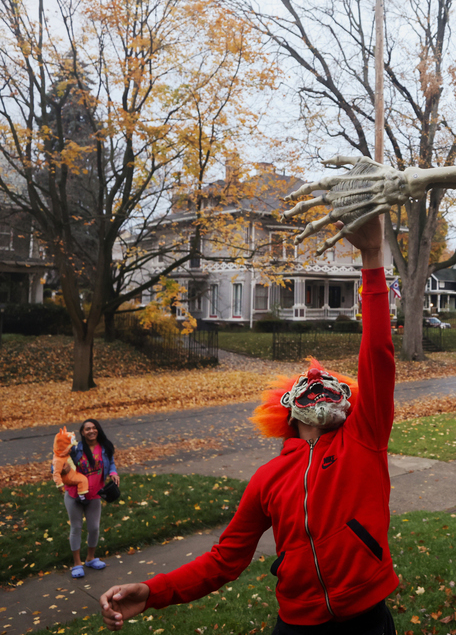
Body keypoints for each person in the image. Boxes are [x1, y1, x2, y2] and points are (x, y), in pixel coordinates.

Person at [99, 216, 398, 635]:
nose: (317, 383)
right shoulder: (268, 479)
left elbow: (379, 355)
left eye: (329, 384)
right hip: (296, 623)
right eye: (305, 386)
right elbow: (226, 559)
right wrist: (152, 591)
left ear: (349, 405)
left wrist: (371, 255)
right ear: (288, 413)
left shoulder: (364, 439)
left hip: (366, 619)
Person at [63, 419, 119, 578]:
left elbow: (111, 463)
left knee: (94, 528)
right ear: (82, 432)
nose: (91, 431)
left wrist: (113, 473)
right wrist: (62, 469)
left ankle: (90, 558)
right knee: (76, 528)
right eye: (87, 429)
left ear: (98, 430)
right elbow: (57, 464)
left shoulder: (105, 447)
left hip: (95, 495)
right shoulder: (75, 449)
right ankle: (77, 564)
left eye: (94, 428)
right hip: (74, 495)